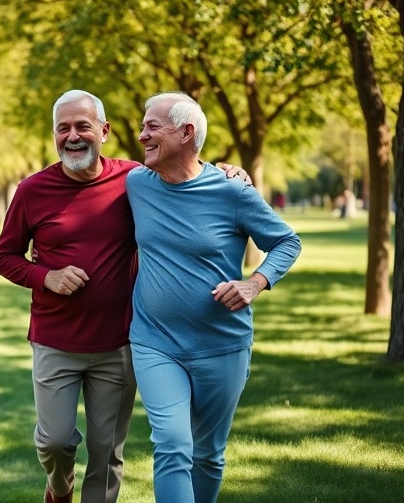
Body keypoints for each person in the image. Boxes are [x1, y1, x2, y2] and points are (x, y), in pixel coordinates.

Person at [127, 91, 301, 503]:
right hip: (155, 342)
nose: (141, 135)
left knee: (208, 454)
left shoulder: (232, 191)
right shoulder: (136, 183)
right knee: (171, 443)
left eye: (152, 126)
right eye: (142, 126)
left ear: (187, 133)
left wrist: (254, 283)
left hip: (222, 344)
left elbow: (287, 242)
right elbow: (90, 174)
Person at [0, 90, 141, 503]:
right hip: (55, 340)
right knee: (55, 441)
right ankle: (60, 486)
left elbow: (186, 178)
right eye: (63, 128)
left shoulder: (134, 180)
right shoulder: (32, 190)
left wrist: (227, 171)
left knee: (106, 453)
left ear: (104, 131)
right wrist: (46, 276)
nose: (72, 136)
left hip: (119, 342)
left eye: (82, 126)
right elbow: (4, 256)